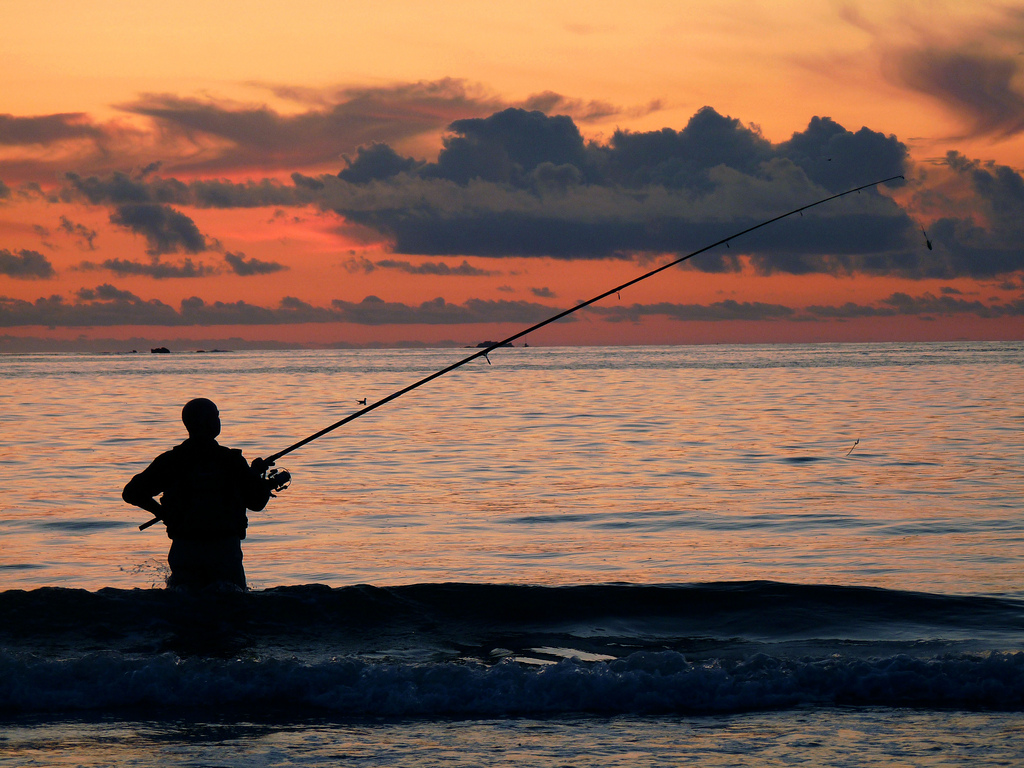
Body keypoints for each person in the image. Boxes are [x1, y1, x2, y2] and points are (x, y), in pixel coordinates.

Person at [123, 398, 273, 591]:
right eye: (216, 416)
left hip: (185, 548)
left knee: (184, 608)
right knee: (231, 609)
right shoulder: (230, 461)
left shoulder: (172, 460)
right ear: (209, 422)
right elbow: (256, 502)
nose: (218, 420)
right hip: (224, 549)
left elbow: (132, 493)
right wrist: (258, 478)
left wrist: (163, 514)